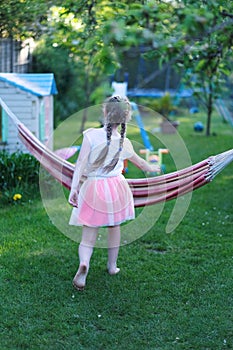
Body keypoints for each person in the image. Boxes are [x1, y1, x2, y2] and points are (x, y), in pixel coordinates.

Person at [68, 95, 160, 290]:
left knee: (88, 235)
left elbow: (80, 164)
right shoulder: (124, 142)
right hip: (116, 188)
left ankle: (84, 263)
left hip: (93, 188)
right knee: (114, 227)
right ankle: (112, 266)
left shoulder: (90, 135)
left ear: (104, 112)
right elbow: (142, 164)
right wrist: (154, 168)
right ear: (126, 118)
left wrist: (74, 188)